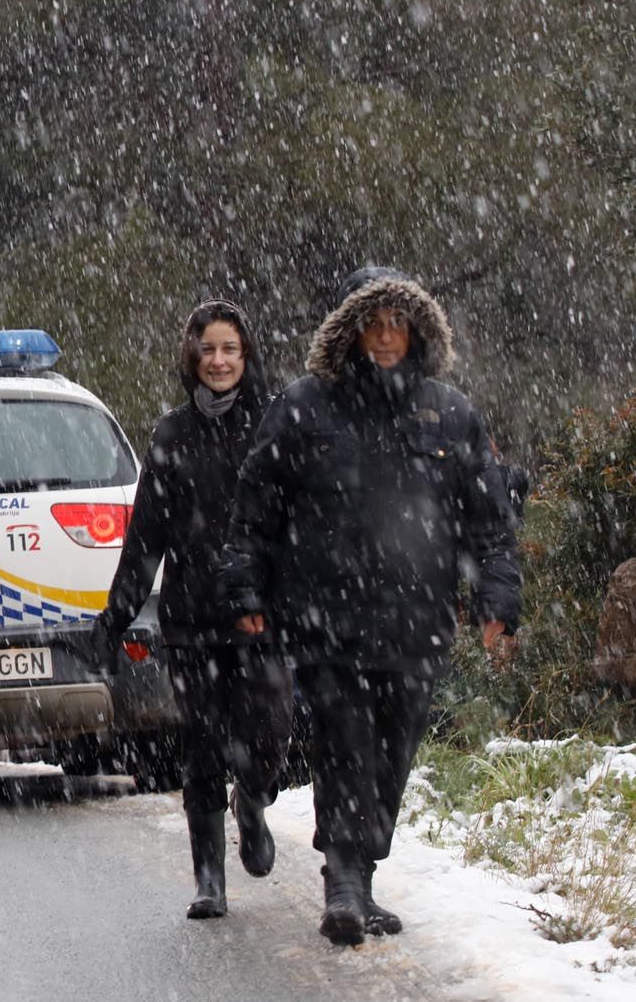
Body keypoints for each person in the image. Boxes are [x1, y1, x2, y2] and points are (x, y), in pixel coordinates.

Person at [219, 266, 520, 946]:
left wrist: (497, 597)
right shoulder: (304, 407)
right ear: (350, 331)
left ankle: (362, 867)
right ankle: (346, 878)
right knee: (346, 743)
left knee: (395, 750)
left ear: (414, 331)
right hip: (327, 617)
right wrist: (246, 589)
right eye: (373, 323)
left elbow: (489, 521)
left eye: (396, 323)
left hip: (418, 621)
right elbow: (255, 508)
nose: (385, 337)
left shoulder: (451, 412)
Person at [96, 300, 293, 920]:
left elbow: (301, 523)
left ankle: (255, 802)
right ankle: (210, 880)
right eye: (208, 349)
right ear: (193, 357)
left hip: (262, 620)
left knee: (267, 739)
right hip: (193, 622)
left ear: (246, 356)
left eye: (229, 349)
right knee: (203, 746)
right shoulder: (171, 435)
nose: (218, 361)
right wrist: (114, 619)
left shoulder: (274, 426)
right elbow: (145, 539)